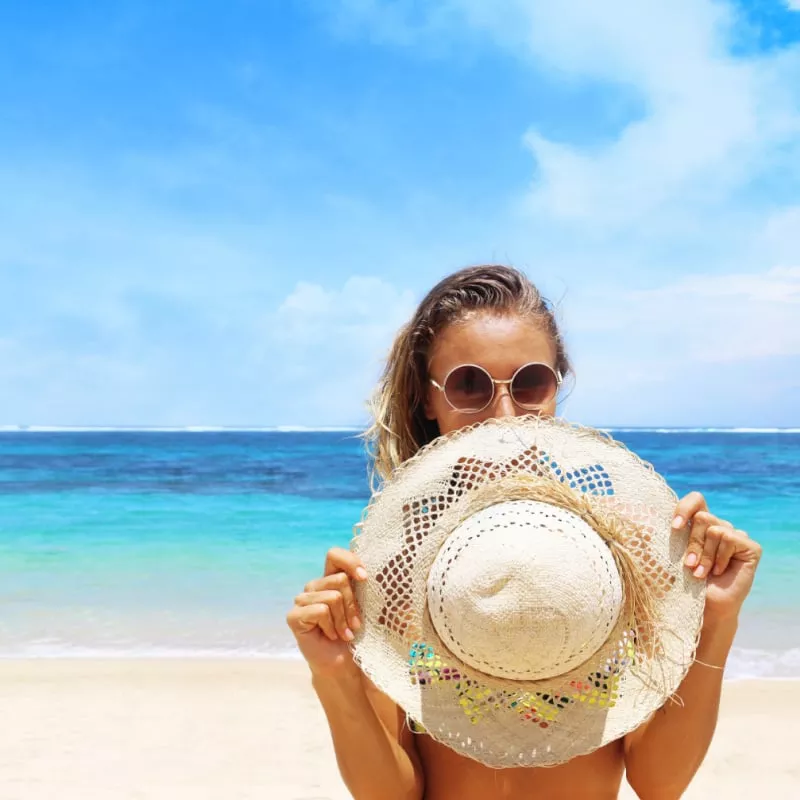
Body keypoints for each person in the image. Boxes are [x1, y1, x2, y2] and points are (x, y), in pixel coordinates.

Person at [286, 265, 762, 800]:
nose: (505, 413)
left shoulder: (619, 553)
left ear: (557, 384)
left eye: (531, 382)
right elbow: (391, 794)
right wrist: (333, 676)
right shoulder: (393, 570)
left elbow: (658, 781)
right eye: (470, 385)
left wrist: (718, 617)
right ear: (427, 397)